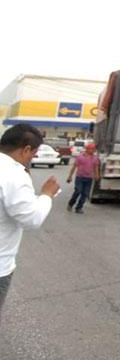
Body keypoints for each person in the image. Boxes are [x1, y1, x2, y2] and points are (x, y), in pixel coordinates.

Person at [0, 124, 60, 320]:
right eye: (33, 154)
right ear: (26, 149)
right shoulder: (14, 174)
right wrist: (46, 194)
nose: (31, 160)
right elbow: (31, 219)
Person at [66, 143, 101, 214]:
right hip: (80, 177)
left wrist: (97, 176)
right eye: (91, 149)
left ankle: (79, 207)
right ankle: (71, 204)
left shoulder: (95, 158)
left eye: (93, 149)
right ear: (87, 149)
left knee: (85, 194)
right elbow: (74, 167)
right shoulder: (80, 157)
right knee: (78, 191)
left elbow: (96, 168)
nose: (92, 150)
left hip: (89, 178)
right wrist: (70, 176)